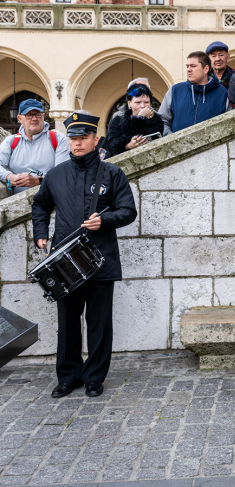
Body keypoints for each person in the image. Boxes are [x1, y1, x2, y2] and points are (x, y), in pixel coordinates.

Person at [31, 112, 138, 399]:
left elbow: (128, 211)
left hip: (100, 259)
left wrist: (105, 220)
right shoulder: (55, 175)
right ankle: (68, 377)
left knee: (99, 323)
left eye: (82, 138)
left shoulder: (112, 173)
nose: (77, 144)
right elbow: (40, 205)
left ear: (94, 139)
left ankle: (94, 378)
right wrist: (40, 233)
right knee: (67, 323)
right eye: (73, 139)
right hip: (64, 262)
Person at [0, 99, 70, 194]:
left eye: (38, 114)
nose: (34, 118)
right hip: (16, 204)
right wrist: (10, 177)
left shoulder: (59, 140)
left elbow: (62, 172)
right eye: (29, 115)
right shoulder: (10, 141)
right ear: (19, 118)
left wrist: (37, 181)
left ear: (43, 116)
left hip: (51, 202)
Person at [157, 51, 229, 133]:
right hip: (178, 145)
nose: (188, 70)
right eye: (187, 66)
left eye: (193, 66)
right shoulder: (175, 91)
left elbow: (228, 124)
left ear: (206, 69)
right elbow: (162, 120)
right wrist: (171, 139)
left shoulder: (222, 93)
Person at [104, 84, 169, 157]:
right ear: (129, 103)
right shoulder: (118, 119)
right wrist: (128, 146)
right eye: (138, 102)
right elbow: (113, 146)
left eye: (146, 102)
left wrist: (139, 119)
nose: (143, 106)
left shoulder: (156, 119)